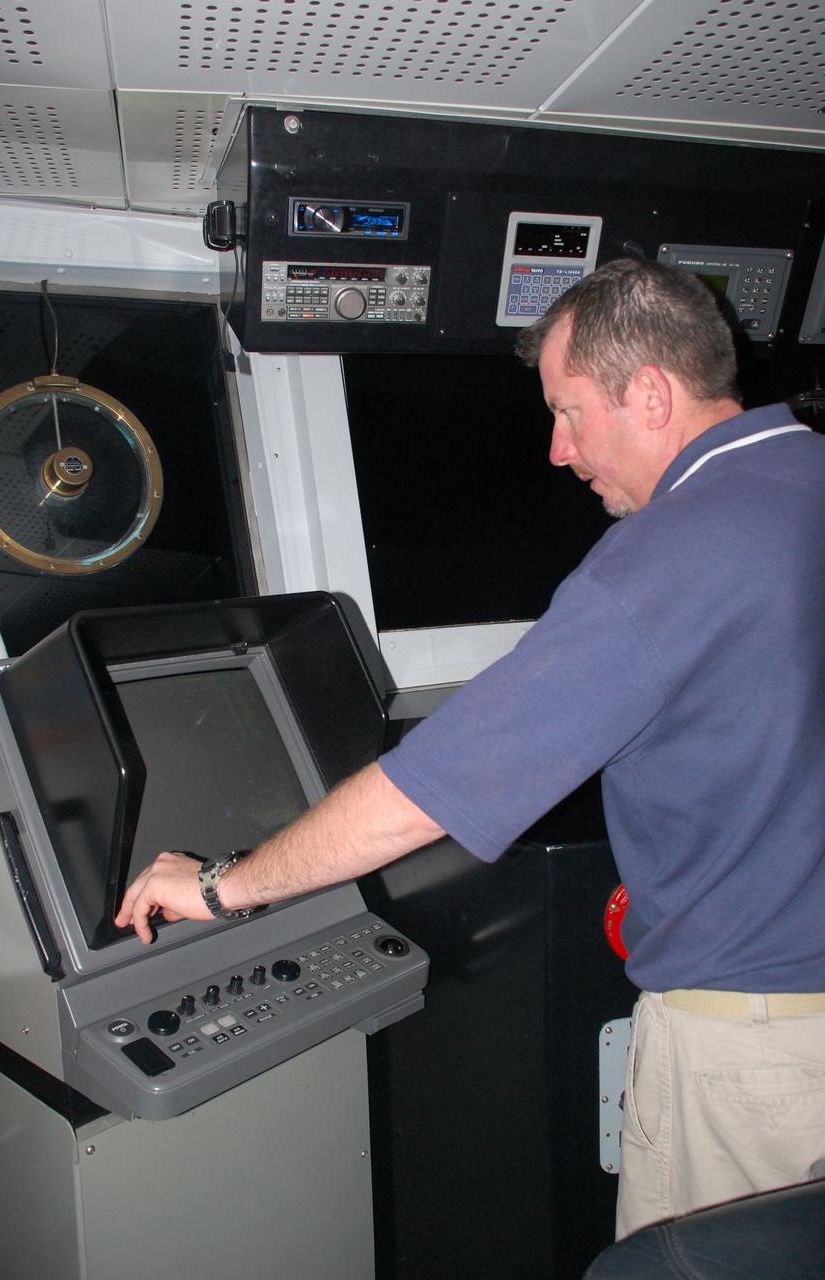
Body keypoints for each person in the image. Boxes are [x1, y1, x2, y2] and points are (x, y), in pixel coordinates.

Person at [116, 258, 825, 1238]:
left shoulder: (667, 559)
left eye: (568, 412)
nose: (556, 449)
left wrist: (220, 885)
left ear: (651, 394)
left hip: (757, 1043)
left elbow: (426, 794)